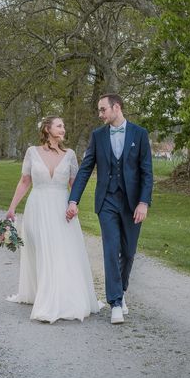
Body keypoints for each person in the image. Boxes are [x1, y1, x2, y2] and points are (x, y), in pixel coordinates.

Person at [5, 116, 103, 323]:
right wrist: (12, 207)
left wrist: (74, 204)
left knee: (60, 251)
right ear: (47, 129)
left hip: (61, 208)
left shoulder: (69, 155)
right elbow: (24, 181)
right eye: (59, 125)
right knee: (42, 250)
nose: (63, 129)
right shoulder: (32, 152)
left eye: (64, 125)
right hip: (37, 207)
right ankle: (43, 294)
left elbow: (74, 184)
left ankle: (59, 299)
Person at [66, 94, 153, 324]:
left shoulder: (140, 134)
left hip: (133, 204)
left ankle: (121, 291)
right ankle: (115, 302)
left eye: (103, 109)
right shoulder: (98, 136)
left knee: (129, 252)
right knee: (110, 249)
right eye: (99, 110)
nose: (100, 114)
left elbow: (147, 172)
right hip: (106, 202)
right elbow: (85, 170)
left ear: (117, 108)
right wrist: (73, 200)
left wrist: (144, 202)